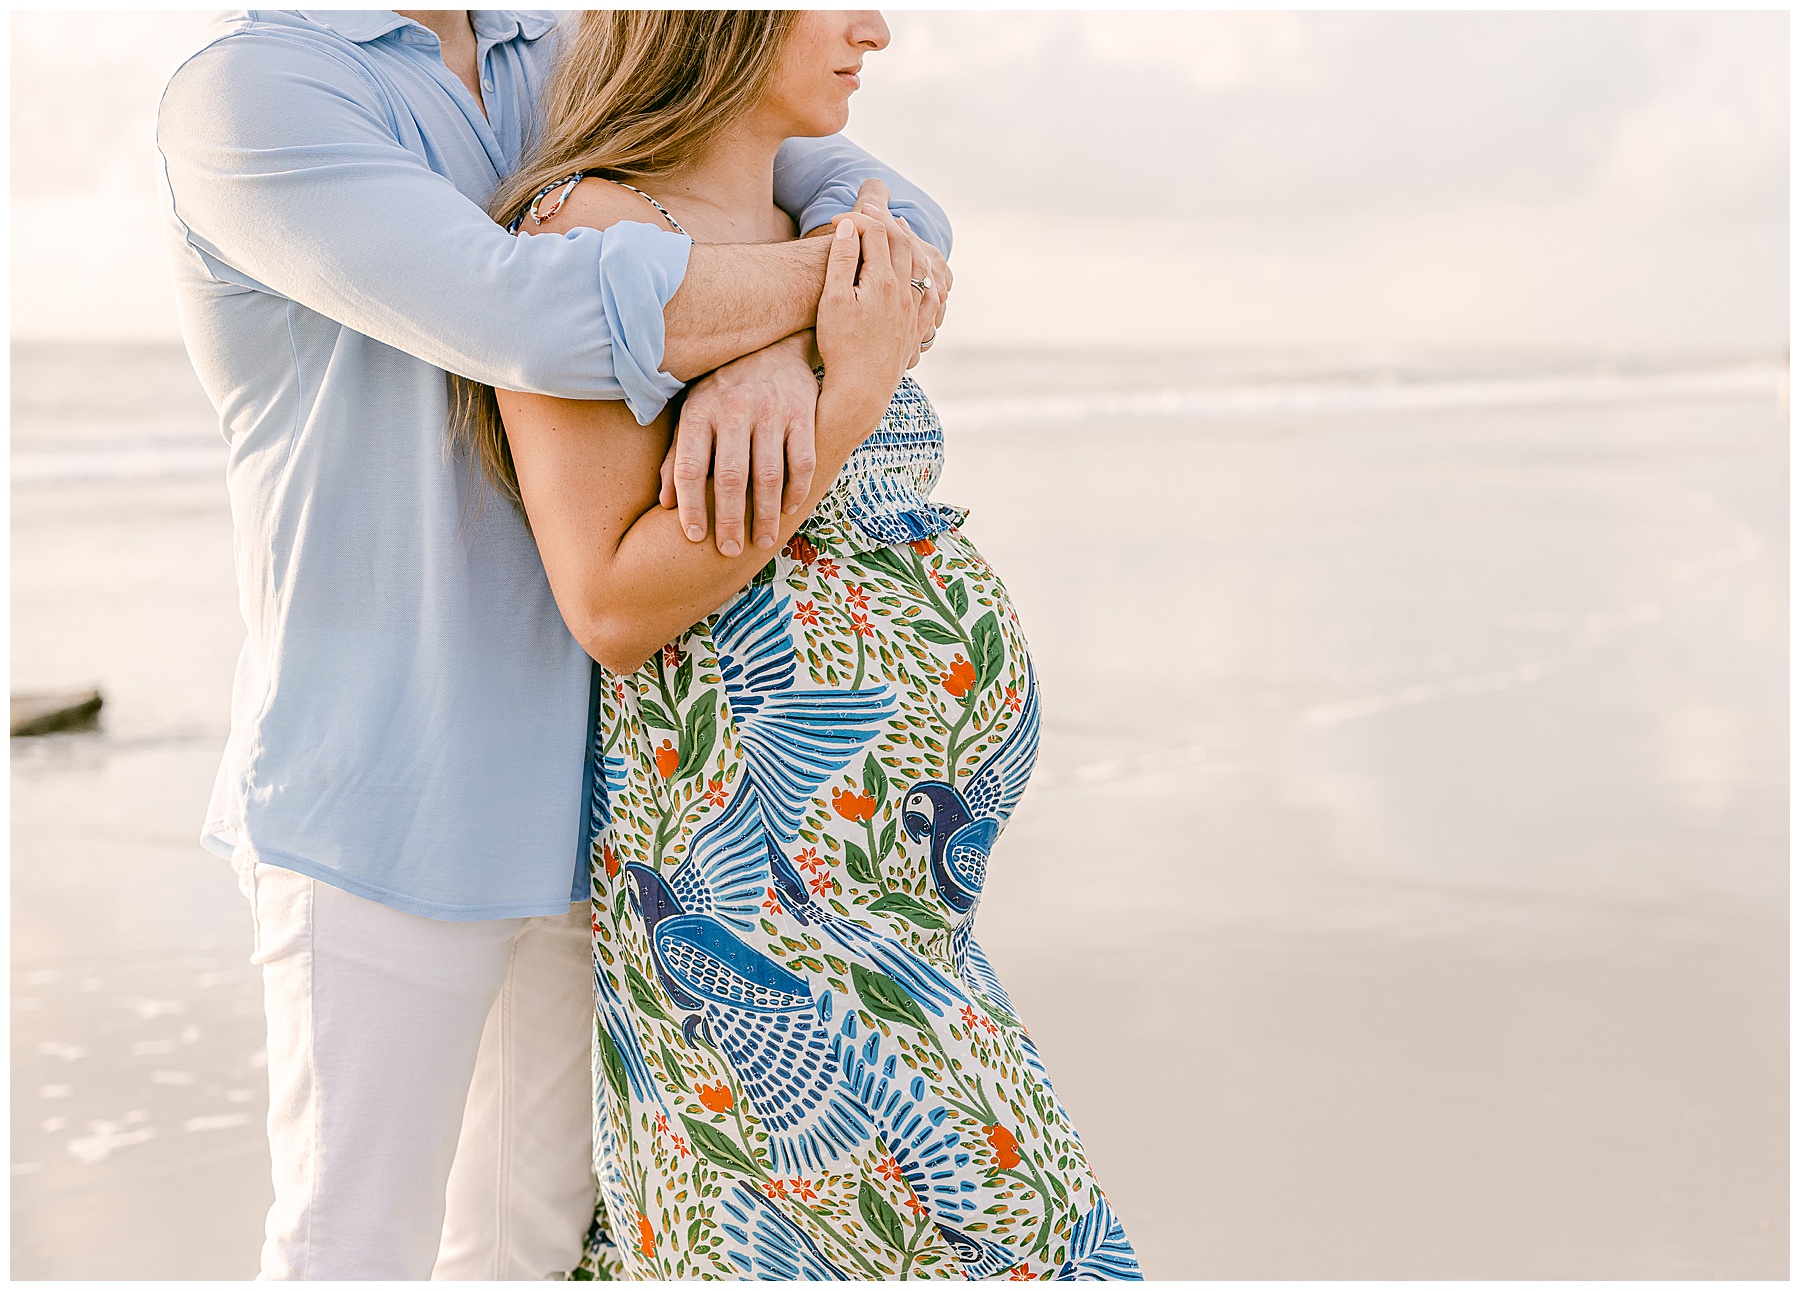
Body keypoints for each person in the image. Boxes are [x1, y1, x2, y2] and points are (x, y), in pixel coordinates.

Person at [154, 8, 950, 1281]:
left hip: (604, 794)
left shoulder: (560, 47)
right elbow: (532, 313)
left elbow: (880, 202)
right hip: (381, 789)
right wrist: (831, 304)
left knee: (535, 1252)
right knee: (349, 1244)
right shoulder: (252, 91)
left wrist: (780, 368)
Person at [465, 10, 1142, 1279]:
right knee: (1003, 1228)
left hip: (898, 894)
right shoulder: (581, 237)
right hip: (753, 896)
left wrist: (789, 353)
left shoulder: (827, 234)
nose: (876, 29)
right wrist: (849, 389)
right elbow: (611, 603)